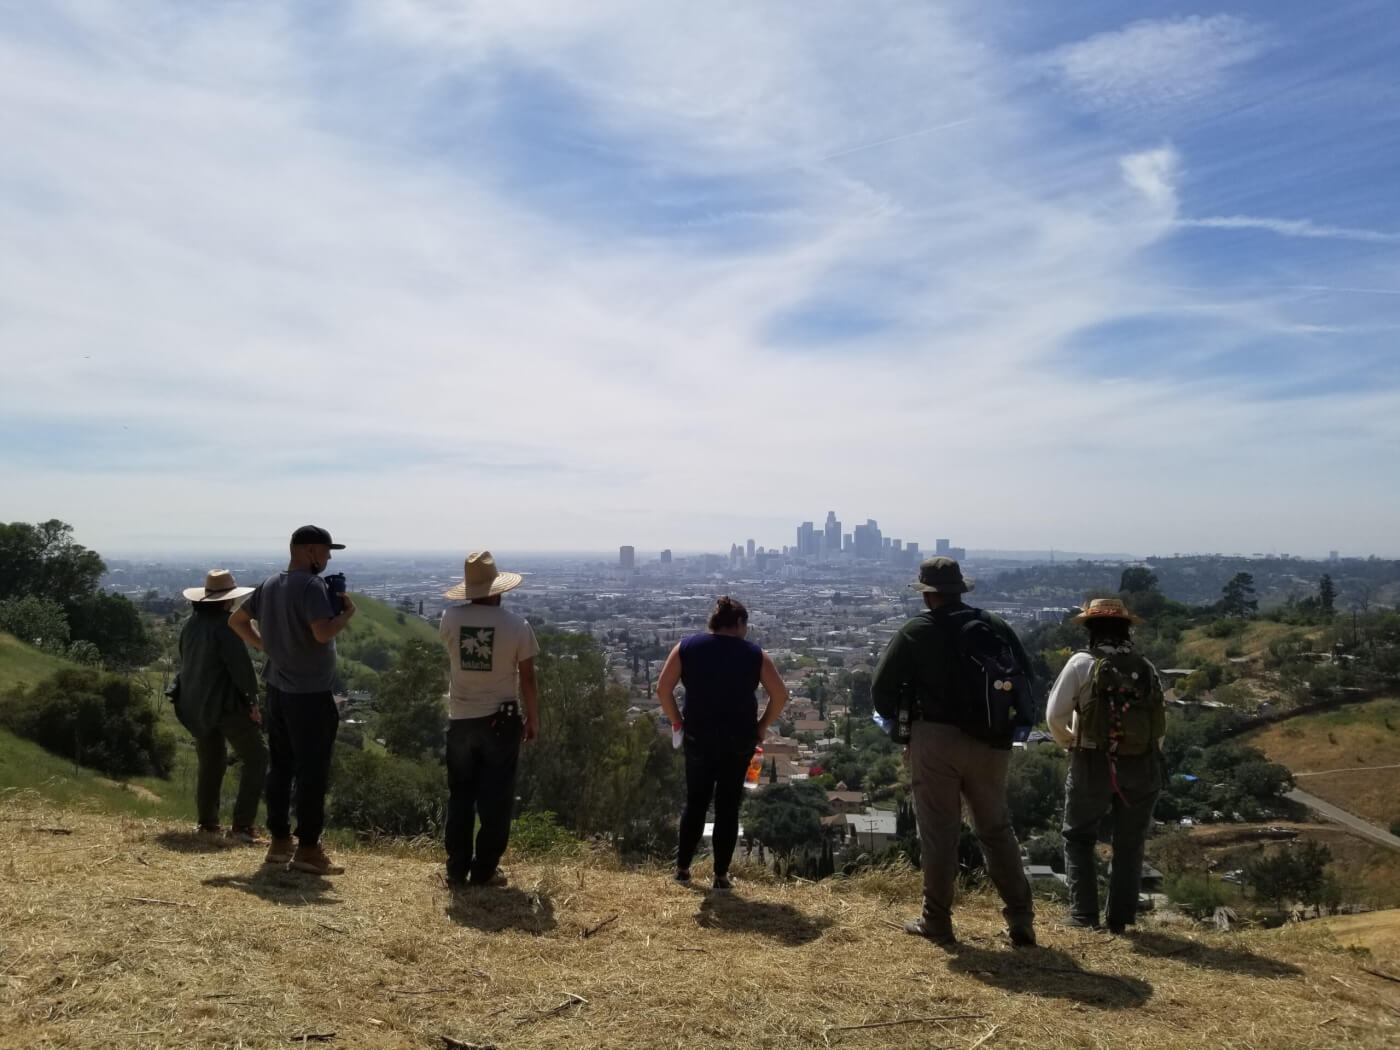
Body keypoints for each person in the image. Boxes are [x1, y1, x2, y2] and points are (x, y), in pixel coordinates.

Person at [871, 557, 1036, 948]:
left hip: (935, 739)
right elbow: (1027, 679)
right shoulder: (995, 626)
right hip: (992, 743)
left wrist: (904, 727)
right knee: (996, 828)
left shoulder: (916, 632)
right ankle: (1021, 919)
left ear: (928, 595)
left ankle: (938, 921)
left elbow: (880, 692)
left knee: (939, 832)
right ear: (961, 590)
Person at [229, 525, 355, 876]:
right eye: (326, 552)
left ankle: (280, 841)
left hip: (278, 691)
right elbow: (321, 632)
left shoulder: (270, 584)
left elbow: (237, 620)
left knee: (281, 766)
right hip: (310, 694)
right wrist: (346, 614)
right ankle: (309, 849)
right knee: (313, 770)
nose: (328, 559)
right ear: (310, 551)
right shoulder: (312, 586)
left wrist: (266, 646)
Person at [1047, 597, 1166, 934]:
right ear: (1126, 629)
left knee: (1078, 835)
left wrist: (1069, 742)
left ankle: (1084, 914)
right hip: (1143, 764)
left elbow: (1054, 715)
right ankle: (1119, 919)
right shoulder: (1145, 667)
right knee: (1130, 842)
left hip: (1093, 759)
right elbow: (1159, 724)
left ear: (1090, 630)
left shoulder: (1082, 664)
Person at [656, 596, 789, 892]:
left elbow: (663, 688)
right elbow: (779, 694)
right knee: (728, 808)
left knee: (695, 803)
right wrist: (761, 726)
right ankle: (720, 876)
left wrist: (677, 721)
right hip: (738, 741)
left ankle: (682, 870)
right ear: (739, 623)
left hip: (697, 737)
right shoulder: (755, 655)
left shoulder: (687, 647)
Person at [439, 550, 539, 889]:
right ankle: (484, 871)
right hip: (501, 721)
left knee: (461, 796)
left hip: (461, 719)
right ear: (497, 589)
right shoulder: (515, 625)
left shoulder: (450, 618)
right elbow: (528, 678)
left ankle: (456, 869)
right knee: (496, 799)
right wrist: (533, 718)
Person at [174, 569, 267, 843]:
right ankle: (242, 826)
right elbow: (241, 669)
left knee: (211, 762)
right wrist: (252, 701)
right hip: (226, 705)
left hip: (195, 704)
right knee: (258, 758)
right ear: (227, 600)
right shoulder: (226, 626)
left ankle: (207, 824)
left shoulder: (190, 625)